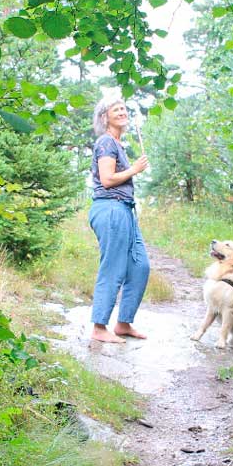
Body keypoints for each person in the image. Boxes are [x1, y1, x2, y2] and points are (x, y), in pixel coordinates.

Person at [88, 97, 151, 343]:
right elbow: (106, 179)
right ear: (105, 117)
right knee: (113, 267)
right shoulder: (105, 142)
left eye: (124, 108)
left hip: (125, 210)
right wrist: (134, 169)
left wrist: (133, 168)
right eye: (117, 109)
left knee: (140, 265)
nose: (123, 112)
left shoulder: (118, 144)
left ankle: (123, 323)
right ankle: (99, 327)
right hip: (110, 208)